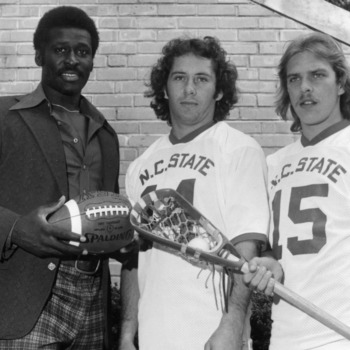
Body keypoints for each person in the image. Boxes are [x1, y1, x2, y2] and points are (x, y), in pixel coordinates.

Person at [119, 36, 270, 350]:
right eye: (179, 78)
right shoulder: (140, 165)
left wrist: (232, 324)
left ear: (218, 90)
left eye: (201, 79)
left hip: (210, 333)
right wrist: (126, 332)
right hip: (152, 334)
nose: (189, 89)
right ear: (164, 87)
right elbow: (134, 257)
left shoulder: (239, 149)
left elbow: (246, 249)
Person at [0, 6, 123, 349]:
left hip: (91, 295)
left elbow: (105, 211)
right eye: (61, 50)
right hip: (24, 294)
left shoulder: (106, 134)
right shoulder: (4, 117)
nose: (72, 60)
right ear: (39, 54)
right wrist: (14, 228)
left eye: (82, 52)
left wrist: (122, 235)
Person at [243, 32, 350, 350]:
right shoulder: (273, 163)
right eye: (294, 79)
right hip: (286, 338)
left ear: (341, 82)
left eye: (317, 75)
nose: (305, 87)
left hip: (340, 335)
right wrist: (269, 263)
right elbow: (274, 251)